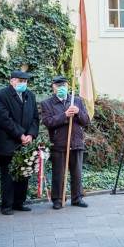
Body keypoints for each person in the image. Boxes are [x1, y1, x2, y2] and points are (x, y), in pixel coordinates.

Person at [0, 71, 39, 215]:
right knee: (8, 175)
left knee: (24, 174)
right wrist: (20, 134)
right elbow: (3, 119)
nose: (23, 84)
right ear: (12, 81)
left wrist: (30, 134)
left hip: (26, 143)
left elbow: (35, 118)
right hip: (8, 143)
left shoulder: (30, 95)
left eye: (25, 82)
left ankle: (19, 202)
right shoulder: (1, 95)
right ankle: (6, 205)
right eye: (20, 81)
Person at [41, 76, 90, 209]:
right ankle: (57, 199)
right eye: (58, 86)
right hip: (59, 143)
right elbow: (48, 122)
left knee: (77, 172)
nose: (61, 88)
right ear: (54, 88)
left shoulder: (77, 101)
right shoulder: (47, 103)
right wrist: (64, 115)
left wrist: (79, 112)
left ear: (68, 87)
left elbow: (86, 121)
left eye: (63, 85)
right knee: (58, 173)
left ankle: (77, 198)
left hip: (76, 142)